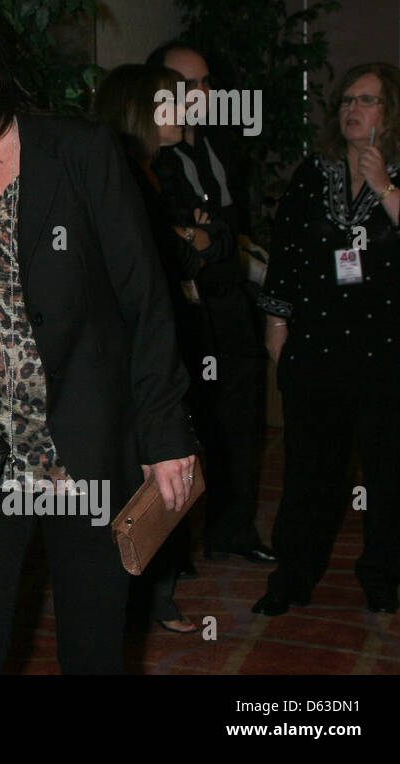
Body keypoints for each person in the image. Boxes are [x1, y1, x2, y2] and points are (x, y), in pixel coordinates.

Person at [0, 0, 198, 673]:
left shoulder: (81, 151)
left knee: (94, 648)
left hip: (90, 437)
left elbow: (145, 299)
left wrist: (166, 434)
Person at [254, 62, 400, 616]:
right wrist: (276, 323)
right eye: (346, 100)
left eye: (367, 100)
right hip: (319, 343)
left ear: (392, 112)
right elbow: (288, 252)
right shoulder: (314, 173)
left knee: (388, 470)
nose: (353, 110)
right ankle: (293, 576)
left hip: (392, 347)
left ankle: (379, 575)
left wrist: (388, 188)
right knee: (308, 469)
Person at [95, 63, 214, 635]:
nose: (186, 111)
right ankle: (144, 597)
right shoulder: (125, 172)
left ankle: (152, 593)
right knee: (156, 473)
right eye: (170, 103)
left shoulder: (159, 167)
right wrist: (193, 239)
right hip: (136, 356)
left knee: (167, 468)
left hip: (162, 345)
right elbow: (165, 264)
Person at [147, 40, 274, 566]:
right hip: (188, 312)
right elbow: (176, 241)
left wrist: (213, 240)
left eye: (204, 83)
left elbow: (225, 229)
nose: (200, 93)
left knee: (242, 422)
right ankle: (169, 556)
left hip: (230, 302)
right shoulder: (151, 154)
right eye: (186, 84)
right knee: (186, 426)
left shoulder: (221, 143)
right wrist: (206, 239)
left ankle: (233, 530)